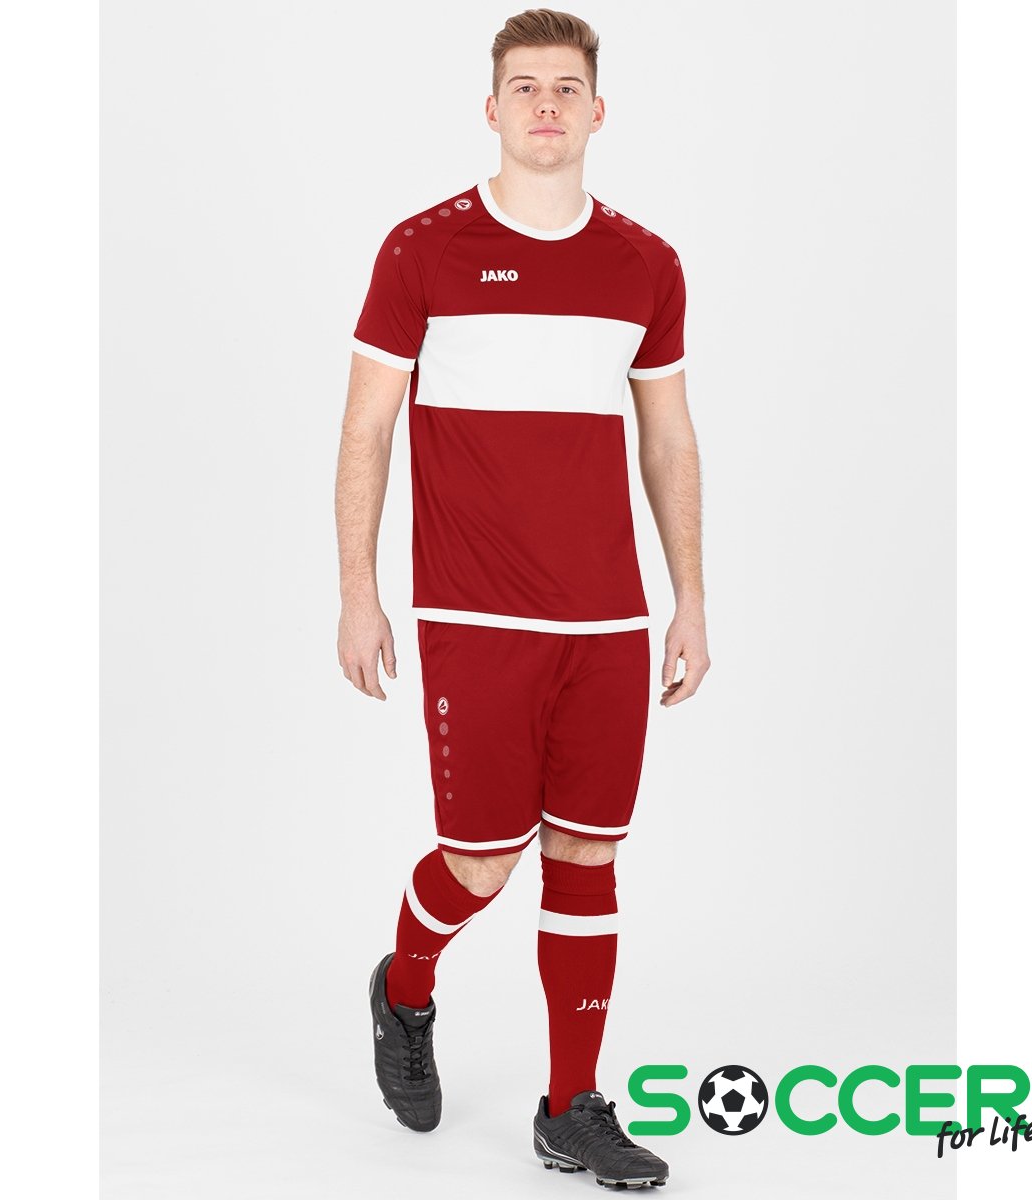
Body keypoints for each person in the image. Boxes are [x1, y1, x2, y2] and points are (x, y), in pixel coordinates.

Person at [337, 7, 708, 1189]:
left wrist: (690, 598)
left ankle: (570, 1107)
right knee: (485, 862)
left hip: (606, 620)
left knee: (589, 853)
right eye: (524, 86)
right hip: (476, 614)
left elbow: (667, 440)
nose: (546, 103)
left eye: (566, 87)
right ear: (491, 108)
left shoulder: (646, 265)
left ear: (598, 111)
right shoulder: (423, 251)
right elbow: (367, 428)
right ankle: (404, 986)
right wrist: (358, 591)